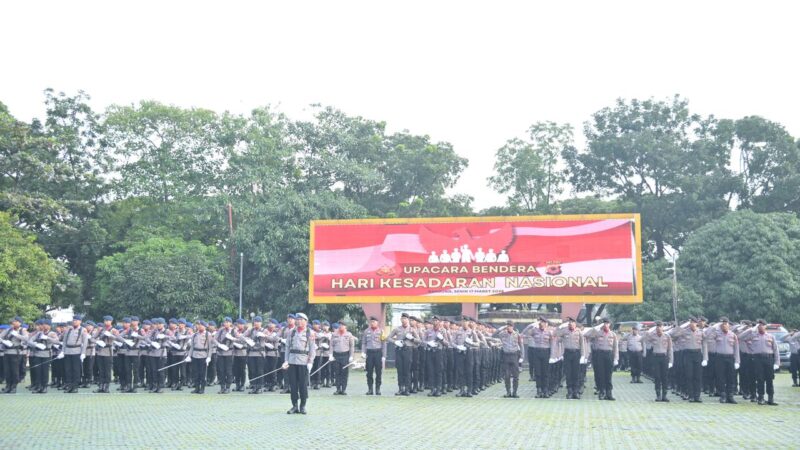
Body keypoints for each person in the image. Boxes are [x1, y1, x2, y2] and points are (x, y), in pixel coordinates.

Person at [282, 312, 316, 415]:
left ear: (306, 321)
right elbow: (287, 347)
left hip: (303, 362)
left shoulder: (310, 333)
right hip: (292, 361)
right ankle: (294, 405)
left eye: (301, 319)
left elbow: (312, 349)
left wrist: (310, 362)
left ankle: (303, 406)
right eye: (298, 319)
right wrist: (286, 360)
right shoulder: (291, 332)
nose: (299, 321)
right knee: (293, 385)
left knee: (303, 385)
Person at [739, 319, 780, 405]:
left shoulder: (770, 336)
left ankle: (770, 398)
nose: (760, 327)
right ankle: (760, 397)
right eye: (759, 325)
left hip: (768, 359)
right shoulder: (753, 335)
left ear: (765, 326)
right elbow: (740, 337)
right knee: (760, 379)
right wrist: (750, 329)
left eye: (762, 325)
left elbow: (776, 350)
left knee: (769, 379)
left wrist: (777, 363)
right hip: (757, 359)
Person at [668, 317, 707, 402]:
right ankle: (691, 395)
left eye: (694, 322)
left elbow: (705, 343)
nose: (692, 324)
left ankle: (697, 396)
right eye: (691, 322)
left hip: (697, 354)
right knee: (689, 376)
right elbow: (672, 335)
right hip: (687, 354)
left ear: (696, 323)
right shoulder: (684, 332)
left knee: (698, 376)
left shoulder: (700, 332)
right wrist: (680, 327)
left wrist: (705, 358)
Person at [704, 317, 740, 404]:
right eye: (723, 324)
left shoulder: (733, 335)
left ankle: (730, 396)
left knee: (730, 377)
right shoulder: (716, 334)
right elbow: (707, 337)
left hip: (730, 358)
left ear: (729, 325)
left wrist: (737, 361)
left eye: (726, 324)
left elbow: (736, 348)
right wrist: (713, 327)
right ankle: (723, 395)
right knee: (720, 377)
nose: (724, 326)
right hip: (719, 358)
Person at [583, 318, 619, 400]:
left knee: (608, 375)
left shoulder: (613, 334)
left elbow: (615, 347)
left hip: (609, 355)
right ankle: (602, 392)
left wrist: (616, 358)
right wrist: (595, 329)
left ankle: (609, 393)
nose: (605, 325)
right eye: (604, 323)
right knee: (601, 374)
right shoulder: (597, 333)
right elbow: (586, 335)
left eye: (607, 323)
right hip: (600, 355)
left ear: (609, 324)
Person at [553, 317, 586, 399]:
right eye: (569, 323)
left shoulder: (579, 332)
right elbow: (555, 334)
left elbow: (582, 344)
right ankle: (570, 391)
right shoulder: (564, 331)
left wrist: (583, 355)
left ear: (575, 324)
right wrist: (559, 327)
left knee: (576, 373)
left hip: (576, 353)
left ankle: (576, 391)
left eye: (572, 322)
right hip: (567, 354)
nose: (571, 324)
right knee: (568, 373)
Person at [523, 317, 554, 398]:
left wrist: (552, 355)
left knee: (545, 373)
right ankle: (539, 390)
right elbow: (525, 334)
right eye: (540, 323)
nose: (541, 324)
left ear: (546, 324)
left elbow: (552, 344)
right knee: (538, 373)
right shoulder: (534, 330)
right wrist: (532, 326)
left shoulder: (549, 332)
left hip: (546, 352)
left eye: (543, 323)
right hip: (536, 352)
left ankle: (545, 390)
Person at [644, 321, 674, 402]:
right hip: (656, 357)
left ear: (663, 327)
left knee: (665, 377)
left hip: (664, 357)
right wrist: (648, 332)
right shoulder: (652, 336)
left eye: (660, 326)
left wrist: (671, 361)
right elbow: (644, 340)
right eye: (657, 326)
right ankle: (658, 395)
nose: (659, 328)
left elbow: (670, 349)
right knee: (657, 377)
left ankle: (664, 395)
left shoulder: (667, 336)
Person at [494, 320, 522, 398]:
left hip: (514, 356)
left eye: (510, 326)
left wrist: (522, 356)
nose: (508, 327)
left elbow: (521, 344)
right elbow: (493, 335)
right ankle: (508, 392)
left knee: (516, 375)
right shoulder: (503, 334)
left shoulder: (517, 334)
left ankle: (515, 392)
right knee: (506, 375)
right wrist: (501, 328)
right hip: (506, 356)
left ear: (512, 327)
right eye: (507, 326)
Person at [61, 314, 89, 393]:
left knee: (76, 370)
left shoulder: (83, 330)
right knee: (68, 370)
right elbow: (64, 341)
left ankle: (75, 386)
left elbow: (85, 342)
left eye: (76, 320)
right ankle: (69, 386)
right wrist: (63, 351)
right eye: (73, 320)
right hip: (68, 351)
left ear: (80, 321)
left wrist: (83, 353)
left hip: (77, 351)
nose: (74, 321)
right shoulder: (68, 330)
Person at [1, 316, 29, 393]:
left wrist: (17, 335)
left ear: (19, 323)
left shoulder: (22, 330)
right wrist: (3, 341)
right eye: (13, 321)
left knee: (14, 371)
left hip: (16, 353)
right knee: (7, 370)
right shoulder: (8, 330)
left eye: (15, 321)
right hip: (6, 352)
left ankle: (13, 387)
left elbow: (26, 339)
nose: (13, 323)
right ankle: (8, 386)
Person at [361, 316, 387, 396]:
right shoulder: (366, 331)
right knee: (369, 372)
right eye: (371, 322)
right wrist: (363, 352)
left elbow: (384, 344)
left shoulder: (381, 331)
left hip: (378, 353)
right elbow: (364, 343)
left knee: (378, 372)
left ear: (377, 323)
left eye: (374, 322)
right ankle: (370, 389)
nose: (372, 323)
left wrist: (383, 356)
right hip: (369, 353)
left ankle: (378, 389)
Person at [92, 316, 116, 393]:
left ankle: (106, 386)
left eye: (108, 321)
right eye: (105, 320)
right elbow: (92, 338)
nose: (106, 322)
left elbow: (117, 338)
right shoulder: (100, 329)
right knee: (101, 370)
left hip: (108, 352)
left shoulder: (113, 330)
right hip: (100, 351)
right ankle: (101, 386)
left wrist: (110, 335)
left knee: (107, 370)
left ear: (111, 321)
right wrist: (96, 341)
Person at [187, 321, 213, 394]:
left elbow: (210, 348)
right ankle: (197, 388)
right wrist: (189, 356)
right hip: (195, 355)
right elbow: (192, 346)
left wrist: (209, 357)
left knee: (202, 373)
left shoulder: (208, 334)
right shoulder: (194, 335)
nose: (199, 326)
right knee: (195, 373)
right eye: (198, 325)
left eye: (201, 325)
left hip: (203, 356)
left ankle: (202, 388)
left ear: (205, 326)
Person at [330, 321, 355, 395]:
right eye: (339, 325)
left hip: (345, 355)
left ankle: (343, 389)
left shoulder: (349, 334)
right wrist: (330, 355)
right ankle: (338, 389)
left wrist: (351, 356)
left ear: (345, 327)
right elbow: (331, 345)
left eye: (342, 325)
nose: (340, 326)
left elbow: (351, 346)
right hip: (336, 355)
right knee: (337, 372)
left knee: (344, 372)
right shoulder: (334, 334)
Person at [214, 317, 235, 394]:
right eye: (225, 322)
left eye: (227, 322)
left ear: (230, 323)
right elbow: (214, 339)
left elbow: (240, 339)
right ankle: (222, 387)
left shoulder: (233, 331)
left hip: (229, 354)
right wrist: (219, 345)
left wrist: (232, 338)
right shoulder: (220, 330)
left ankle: (228, 387)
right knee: (220, 371)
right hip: (220, 353)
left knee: (228, 371)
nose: (225, 323)